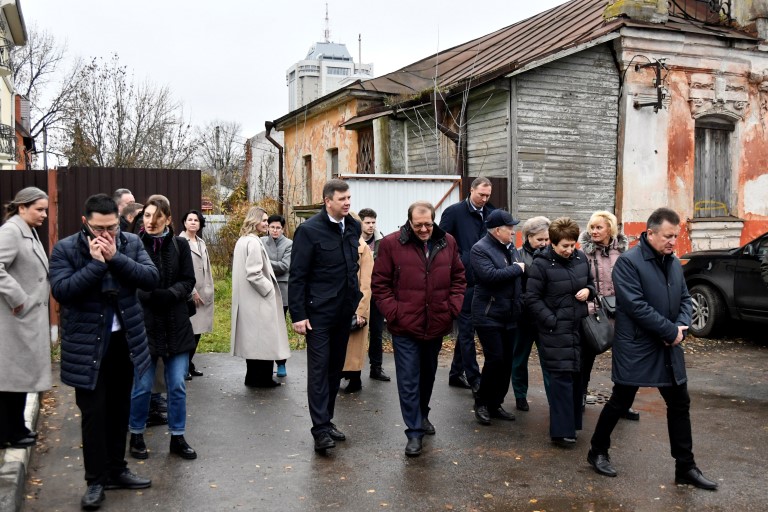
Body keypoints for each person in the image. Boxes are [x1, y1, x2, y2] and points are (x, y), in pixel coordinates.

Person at [588, 208, 718, 490]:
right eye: (668, 236)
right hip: (637, 345)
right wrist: (670, 331)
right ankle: (597, 450)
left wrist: (681, 327)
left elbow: (685, 299)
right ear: (650, 233)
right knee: (621, 400)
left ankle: (685, 466)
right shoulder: (629, 263)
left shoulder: (672, 261)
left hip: (668, 345)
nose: (674, 241)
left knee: (679, 402)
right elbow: (635, 306)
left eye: (676, 235)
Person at [50, 194, 158, 510]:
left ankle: (117, 470)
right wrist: (96, 265)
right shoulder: (66, 249)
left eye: (111, 227)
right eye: (99, 229)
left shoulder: (131, 243)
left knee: (119, 411)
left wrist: (116, 258)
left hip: (125, 343)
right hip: (86, 348)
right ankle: (95, 481)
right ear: (86, 223)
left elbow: (151, 278)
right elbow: (62, 291)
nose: (106, 235)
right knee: (94, 416)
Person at [372, 201, 466, 457]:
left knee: (427, 375)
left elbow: (459, 277)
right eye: (418, 225)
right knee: (409, 379)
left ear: (433, 221)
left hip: (436, 322)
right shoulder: (392, 244)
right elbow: (380, 285)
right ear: (409, 222)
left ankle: (422, 415)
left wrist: (452, 307)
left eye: (428, 224)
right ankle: (413, 432)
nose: (424, 229)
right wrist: (395, 313)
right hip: (405, 327)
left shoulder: (447, 241)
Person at [289, 179, 362, 454]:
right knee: (319, 372)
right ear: (327, 201)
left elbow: (351, 266)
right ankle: (319, 430)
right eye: (342, 199)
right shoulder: (309, 231)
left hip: (344, 311)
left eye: (349, 198)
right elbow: (298, 275)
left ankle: (327, 420)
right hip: (318, 313)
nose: (347, 203)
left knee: (334, 369)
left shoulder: (352, 226)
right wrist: (298, 314)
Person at [128, 195, 198, 461]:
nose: (151, 221)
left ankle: (177, 437)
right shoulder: (133, 244)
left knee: (177, 384)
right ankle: (136, 435)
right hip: (144, 326)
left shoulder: (180, 245)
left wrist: (170, 294)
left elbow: (188, 279)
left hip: (176, 325)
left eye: (157, 216)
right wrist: (147, 295)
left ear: (168, 219)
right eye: (146, 215)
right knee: (143, 385)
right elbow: (128, 279)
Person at [525, 217, 595, 448]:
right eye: (564, 245)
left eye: (572, 244)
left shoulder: (581, 258)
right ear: (553, 244)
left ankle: (572, 426)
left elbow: (592, 284)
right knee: (561, 379)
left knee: (577, 377)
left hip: (579, 329)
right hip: (555, 331)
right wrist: (551, 321)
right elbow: (532, 298)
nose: (569, 249)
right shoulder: (542, 264)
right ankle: (561, 432)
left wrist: (588, 290)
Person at [0, 188, 50, 450]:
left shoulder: (26, 230)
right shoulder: (10, 231)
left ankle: (16, 428)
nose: (44, 214)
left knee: (18, 378)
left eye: (45, 209)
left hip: (25, 319)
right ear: (21, 207)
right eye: (39, 209)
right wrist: (20, 300)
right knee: (10, 379)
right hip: (14, 318)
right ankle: (7, 432)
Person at [578, 211, 639, 420]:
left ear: (609, 229)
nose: (594, 231)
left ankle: (621, 403)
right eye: (592, 227)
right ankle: (580, 397)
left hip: (620, 313)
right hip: (592, 312)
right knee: (586, 358)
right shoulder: (583, 253)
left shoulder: (623, 252)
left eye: (599, 227)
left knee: (624, 360)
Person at [439, 177, 494, 393]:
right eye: (481, 194)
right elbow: (441, 242)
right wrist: (459, 262)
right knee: (467, 329)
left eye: (488, 195)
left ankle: (455, 373)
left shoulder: (491, 214)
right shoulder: (454, 212)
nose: (484, 199)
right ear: (471, 190)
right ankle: (474, 377)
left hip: (484, 281)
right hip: (462, 281)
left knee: (469, 329)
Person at [470, 210, 525, 426]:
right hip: (488, 315)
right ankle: (482, 403)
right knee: (495, 360)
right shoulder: (480, 249)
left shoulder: (511, 249)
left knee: (507, 362)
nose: (513, 232)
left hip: (510, 315)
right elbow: (489, 276)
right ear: (497, 230)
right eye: (510, 228)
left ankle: (496, 403)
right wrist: (516, 269)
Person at [232, 207, 290, 387]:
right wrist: (269, 290)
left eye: (267, 220)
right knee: (265, 340)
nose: (266, 224)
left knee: (253, 341)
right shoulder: (254, 242)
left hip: (248, 300)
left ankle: (252, 377)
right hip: (259, 299)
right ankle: (263, 379)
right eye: (263, 220)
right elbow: (254, 274)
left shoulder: (242, 241)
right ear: (254, 220)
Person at [511, 216, 551, 411]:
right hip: (523, 318)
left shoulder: (553, 255)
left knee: (549, 360)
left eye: (546, 239)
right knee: (519, 358)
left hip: (545, 318)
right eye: (539, 240)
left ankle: (554, 399)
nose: (543, 244)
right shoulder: (516, 256)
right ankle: (520, 395)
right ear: (527, 237)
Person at [340, 212, 374, 393]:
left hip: (356, 305)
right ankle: (344, 375)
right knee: (343, 345)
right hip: (340, 305)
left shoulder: (364, 249)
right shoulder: (340, 244)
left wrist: (360, 311)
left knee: (354, 346)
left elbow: (366, 284)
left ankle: (355, 380)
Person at [180, 209, 214, 380]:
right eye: (190, 219)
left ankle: (189, 363)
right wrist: (192, 291)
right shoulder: (179, 241)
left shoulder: (201, 242)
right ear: (184, 223)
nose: (193, 222)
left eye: (196, 220)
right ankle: (184, 365)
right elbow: (181, 270)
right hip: (190, 293)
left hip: (204, 292)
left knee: (198, 331)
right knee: (190, 331)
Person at [358, 208, 390, 382]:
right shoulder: (354, 240)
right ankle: (351, 370)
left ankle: (376, 368)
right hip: (359, 293)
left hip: (377, 293)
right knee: (355, 331)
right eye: (367, 222)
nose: (371, 226)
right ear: (361, 223)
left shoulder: (381, 241)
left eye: (373, 222)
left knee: (376, 332)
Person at [261, 214, 292, 378]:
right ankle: (264, 363)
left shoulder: (289, 244)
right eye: (272, 227)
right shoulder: (260, 241)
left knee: (280, 329)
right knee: (265, 328)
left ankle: (281, 363)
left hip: (282, 290)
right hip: (263, 289)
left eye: (278, 227)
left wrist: (263, 261)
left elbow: (284, 266)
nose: (274, 230)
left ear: (283, 229)